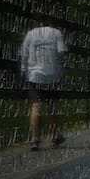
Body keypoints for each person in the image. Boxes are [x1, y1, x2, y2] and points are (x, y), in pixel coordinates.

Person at [20, 15, 67, 151]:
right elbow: (61, 53)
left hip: (35, 74)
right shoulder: (56, 33)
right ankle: (56, 134)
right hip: (51, 74)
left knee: (35, 106)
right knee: (53, 106)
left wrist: (24, 70)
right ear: (50, 21)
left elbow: (24, 54)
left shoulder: (30, 34)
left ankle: (35, 139)